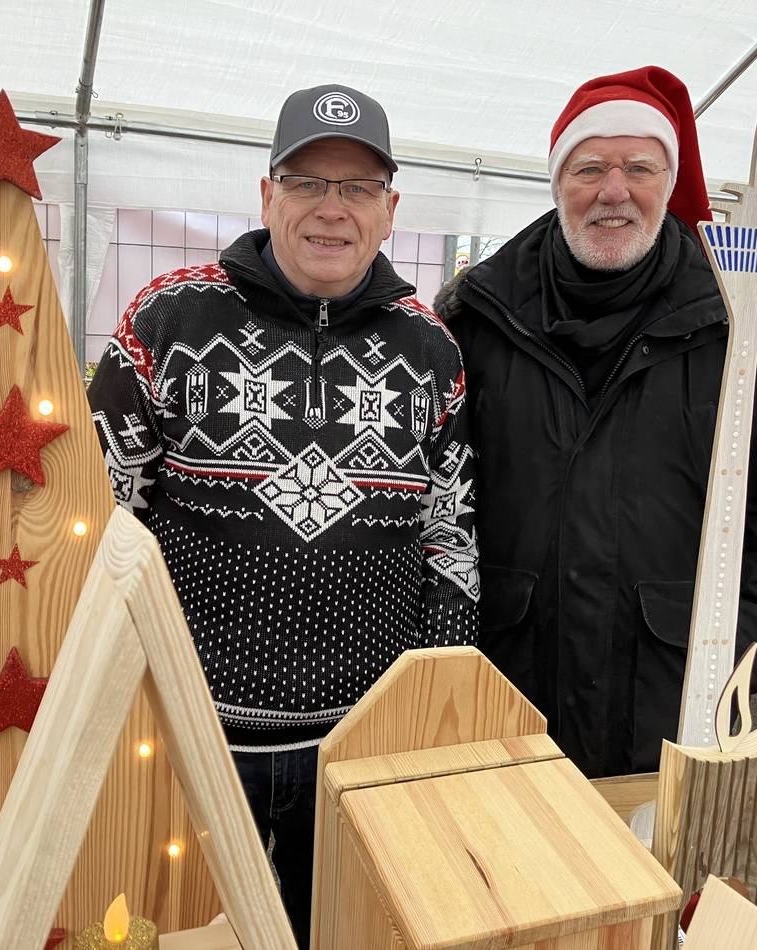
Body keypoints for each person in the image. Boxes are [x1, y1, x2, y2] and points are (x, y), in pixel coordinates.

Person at [88, 83, 479, 946]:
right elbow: (101, 518)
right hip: (188, 736)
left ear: (390, 210)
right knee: (177, 930)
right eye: (306, 182)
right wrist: (118, 696)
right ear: (266, 196)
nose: (331, 208)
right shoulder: (168, 316)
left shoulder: (431, 349)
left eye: (358, 187)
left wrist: (426, 709)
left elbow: (450, 540)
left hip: (360, 750)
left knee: (341, 933)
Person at [434, 66, 757, 779]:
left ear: (668, 184)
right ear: (557, 182)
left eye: (639, 168)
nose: (614, 191)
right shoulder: (478, 317)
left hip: (671, 704)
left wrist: (733, 665)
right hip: (503, 694)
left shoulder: (735, 326)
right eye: (590, 168)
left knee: (652, 854)